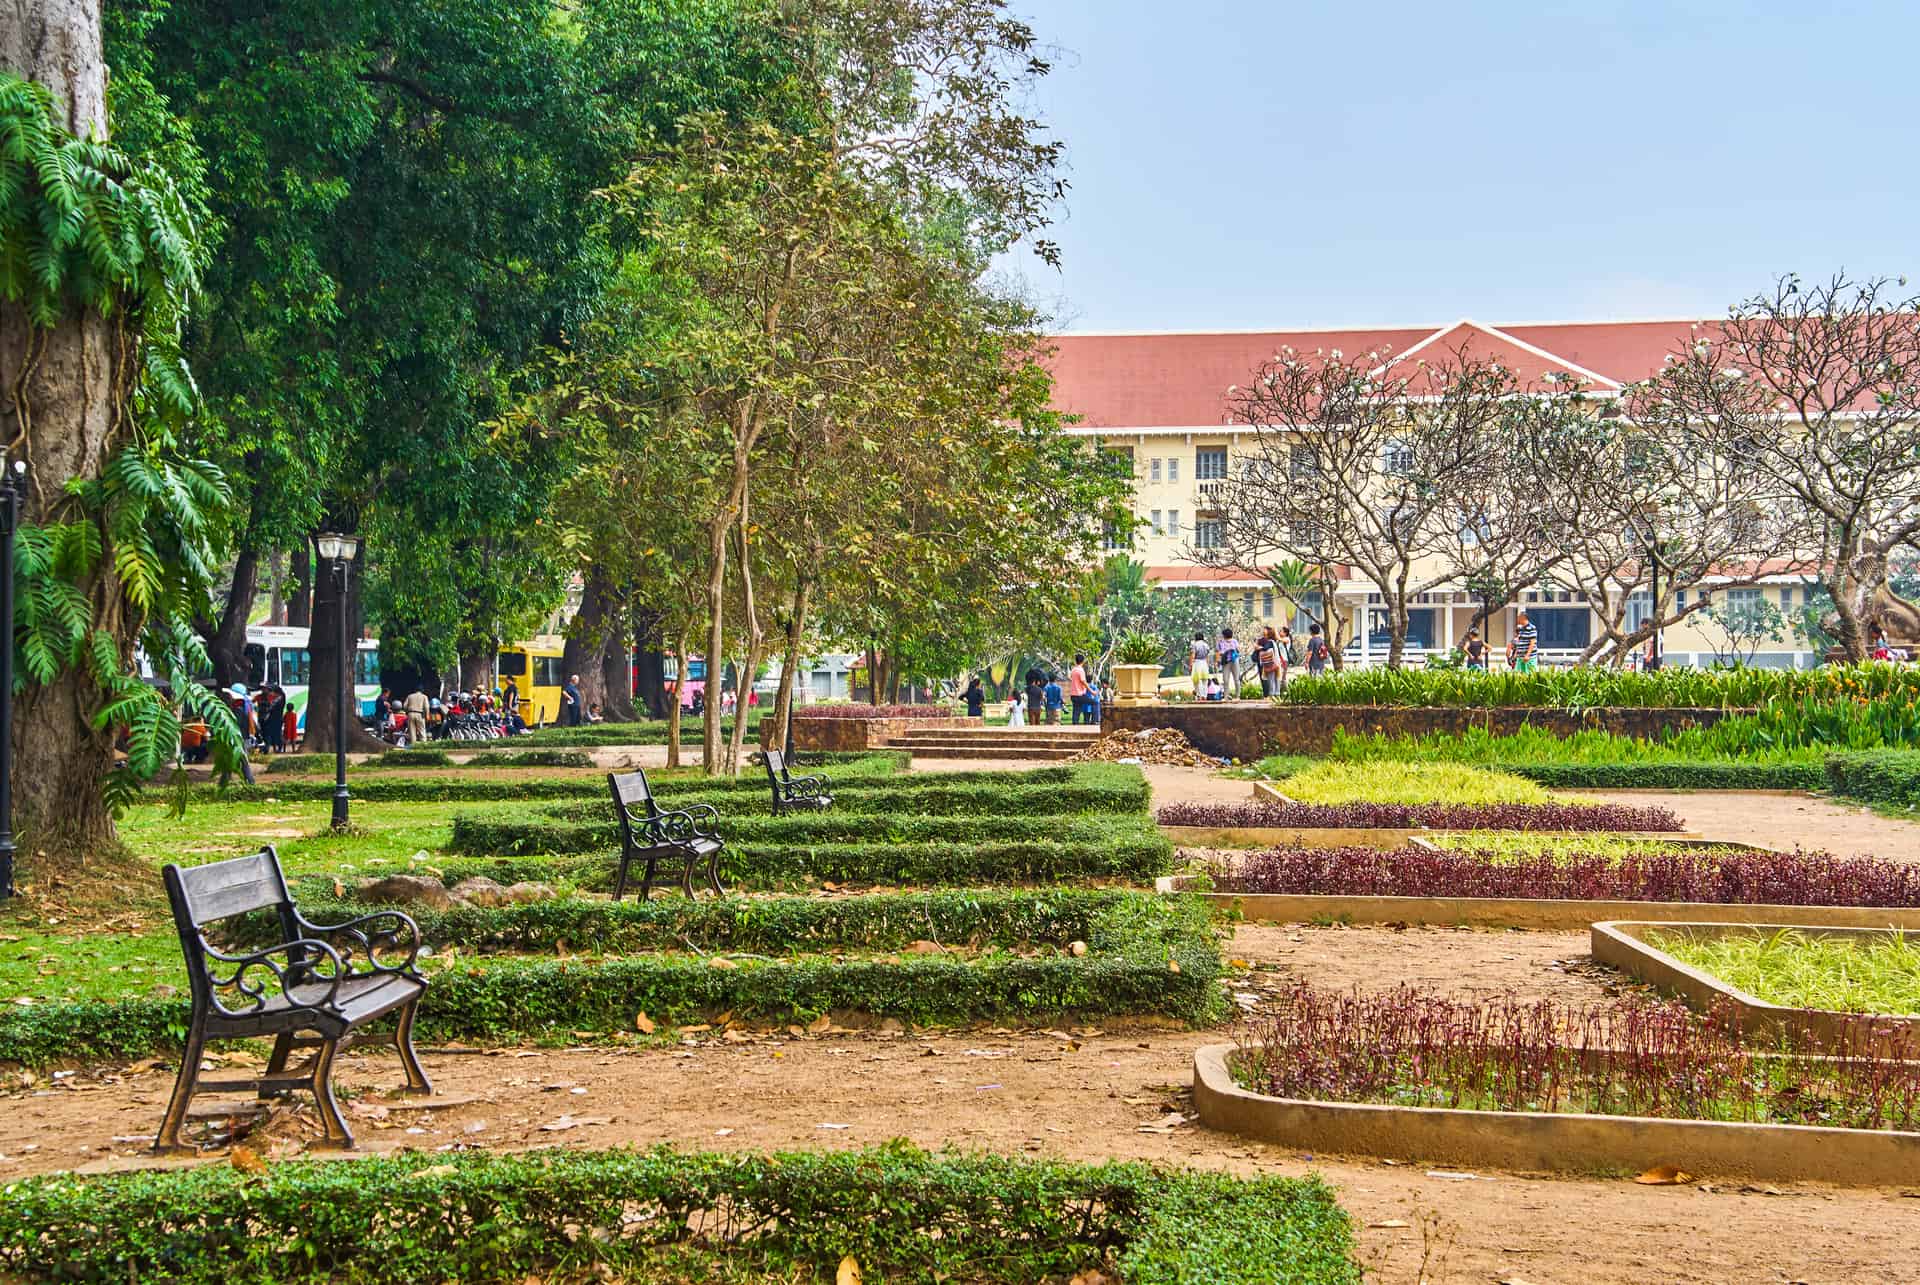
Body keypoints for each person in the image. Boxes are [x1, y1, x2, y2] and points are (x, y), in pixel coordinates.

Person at [1216, 627, 1241, 699]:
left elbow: (1217, 652)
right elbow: (1238, 650)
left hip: (1226, 661)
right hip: (1234, 661)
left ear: (1224, 635)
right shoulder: (1234, 641)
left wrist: (1218, 661)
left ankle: (1226, 696)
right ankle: (1237, 696)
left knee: (1226, 679)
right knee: (1236, 679)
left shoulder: (1221, 642)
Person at [1254, 627, 1280, 697]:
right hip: (1272, 663)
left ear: (1269, 632)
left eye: (1265, 630)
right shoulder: (1269, 641)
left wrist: (1258, 647)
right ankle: (1275, 694)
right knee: (1273, 679)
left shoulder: (1270, 641)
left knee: (1271, 679)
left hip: (1271, 663)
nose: (1263, 631)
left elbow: (1266, 648)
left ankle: (1273, 695)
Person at [1067, 654, 1091, 724]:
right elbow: (1083, 681)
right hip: (1079, 694)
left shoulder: (1073, 670)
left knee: (1076, 711)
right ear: (1082, 661)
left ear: (1075, 661)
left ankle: (1075, 724)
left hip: (1073, 695)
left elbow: (1071, 678)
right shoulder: (1081, 670)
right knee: (1095, 702)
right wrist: (1091, 691)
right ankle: (1095, 720)